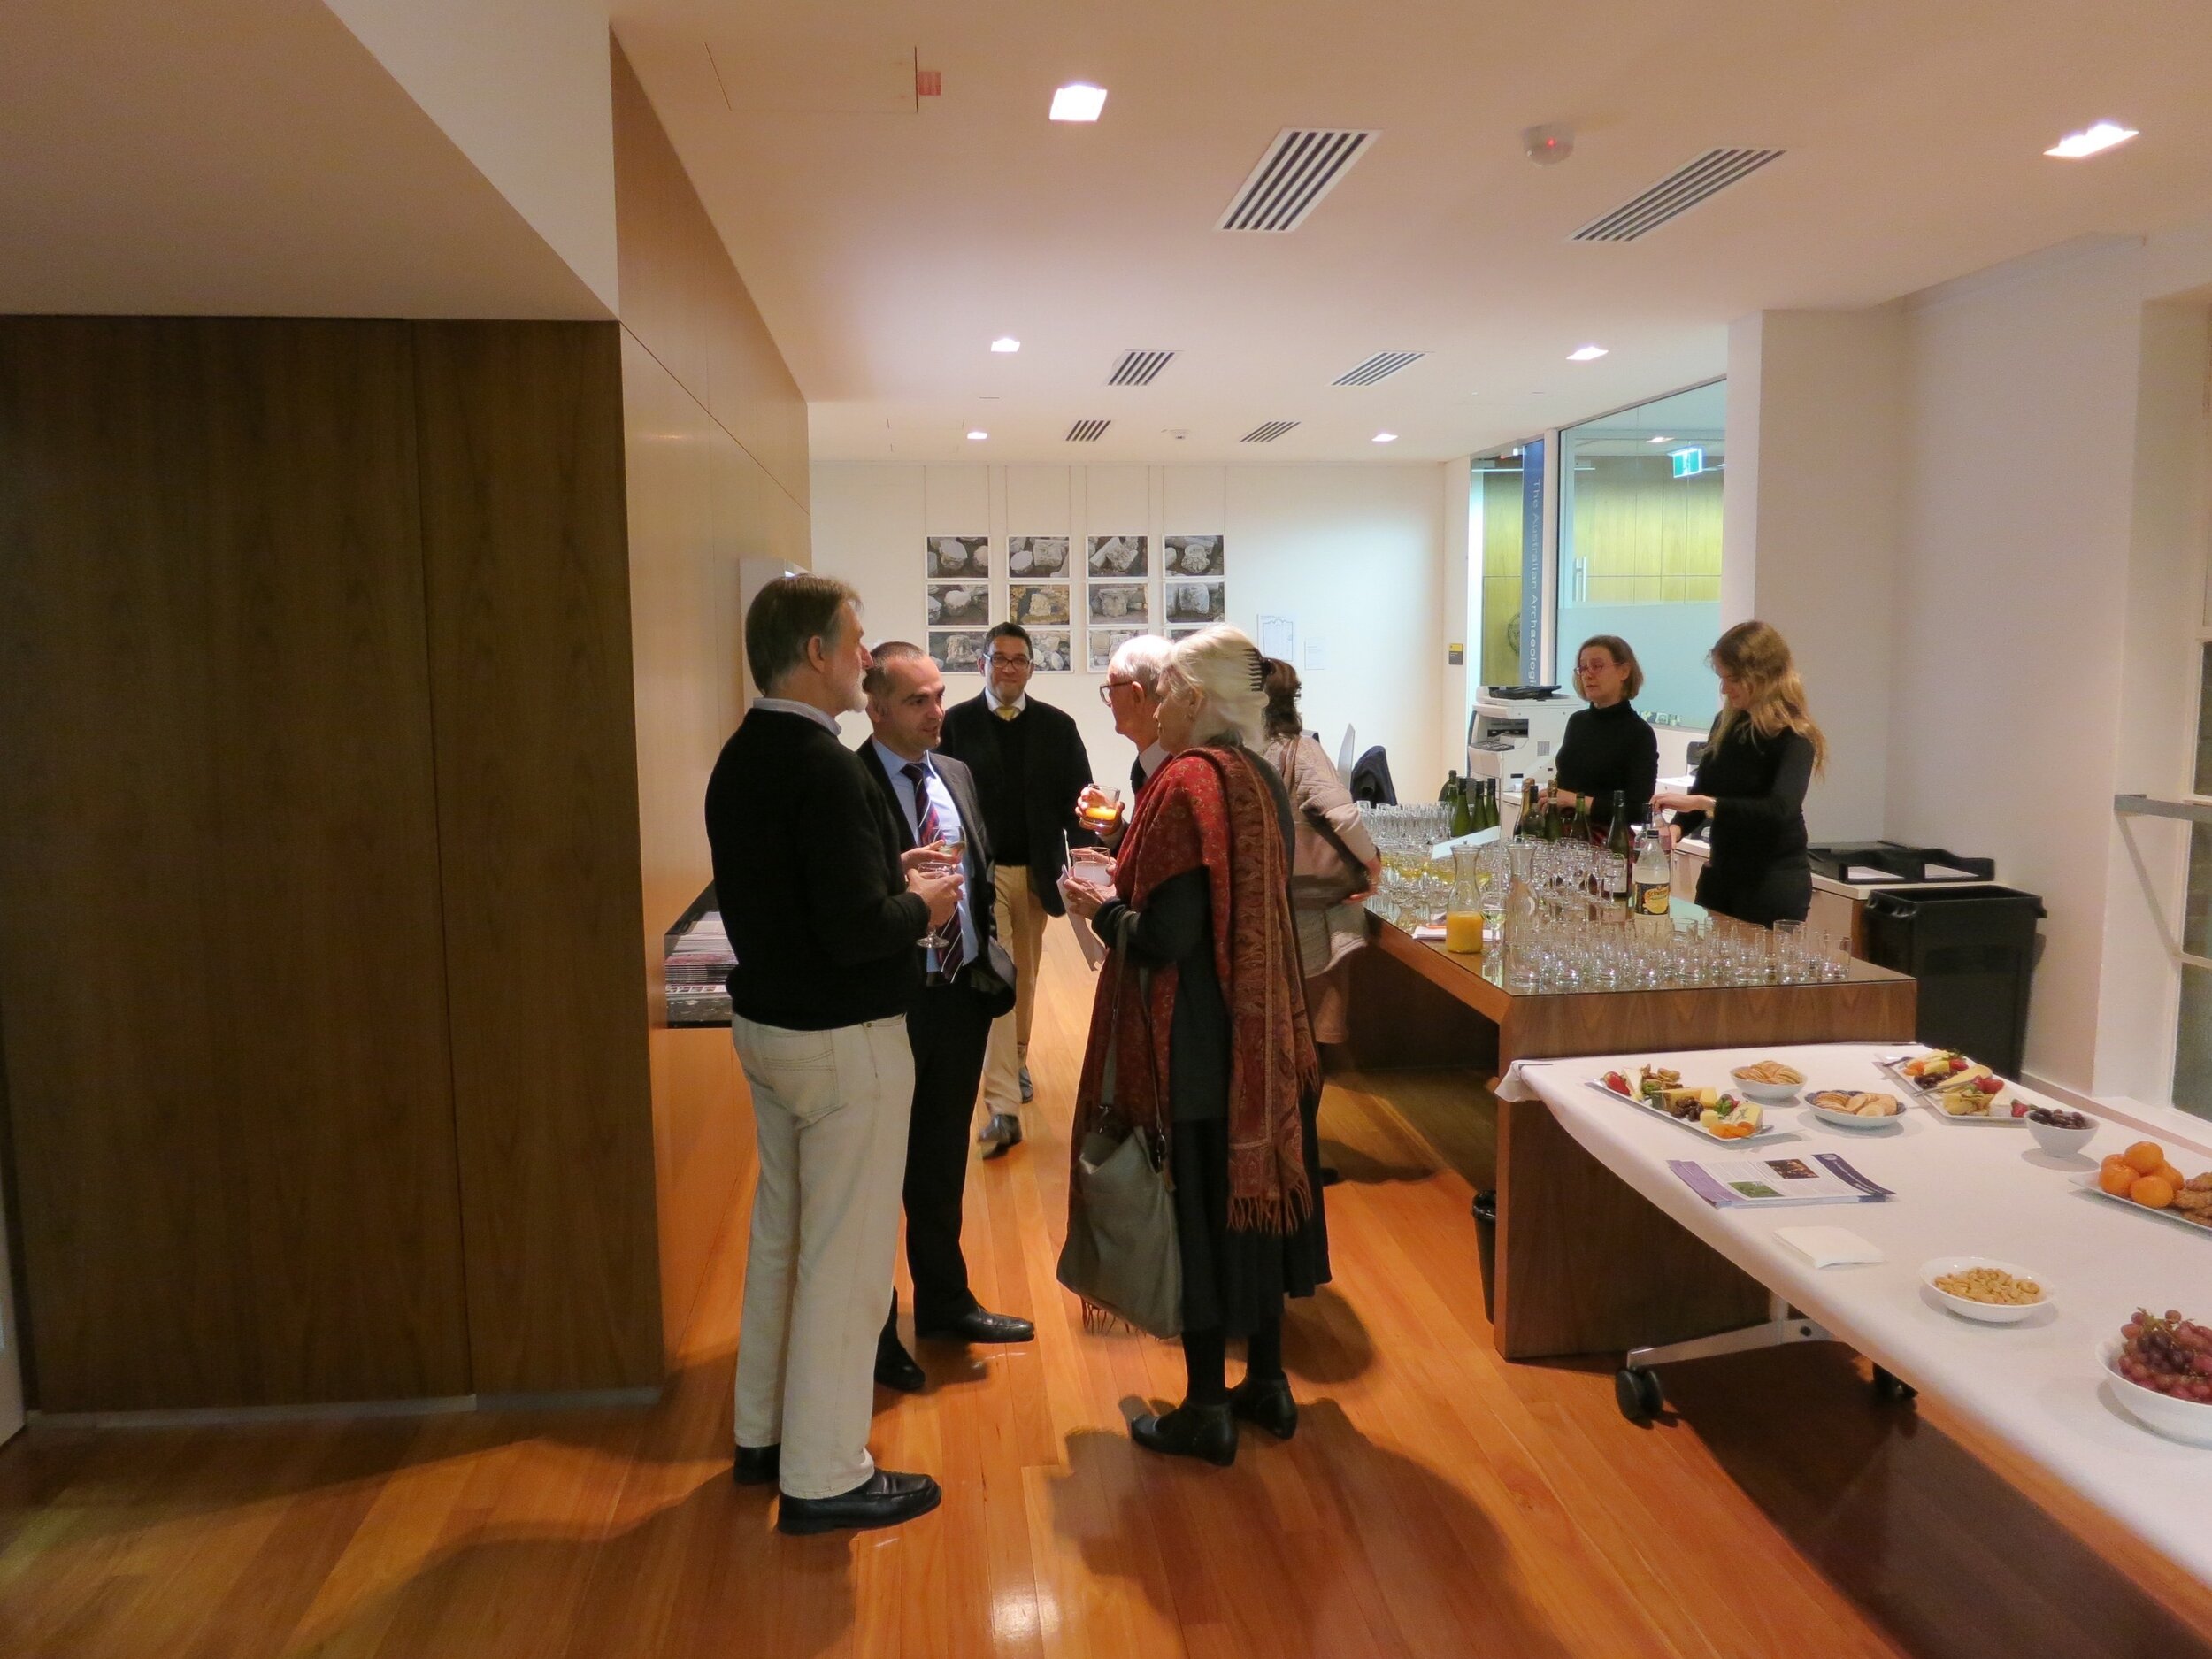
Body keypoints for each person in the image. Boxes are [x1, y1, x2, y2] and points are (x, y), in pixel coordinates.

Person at [706, 575, 963, 1536]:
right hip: (840, 1042)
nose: (866, 656)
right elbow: (859, 932)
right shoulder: (819, 763)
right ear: (814, 652)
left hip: (770, 1029)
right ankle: (824, 1475)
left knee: (782, 1240)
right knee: (846, 1262)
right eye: (855, 641)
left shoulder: (745, 754)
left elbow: (798, 894)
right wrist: (923, 907)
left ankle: (764, 1436)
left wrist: (882, 881)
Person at [1058, 626, 1329, 1468]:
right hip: (1265, 1028)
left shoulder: (1183, 786)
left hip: (1197, 1038)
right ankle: (1270, 1386)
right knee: (1253, 1205)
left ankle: (1207, 1406)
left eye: (1168, 690)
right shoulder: (1258, 778)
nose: (1155, 705)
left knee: (1201, 1213)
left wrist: (1098, 903)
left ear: (1197, 699)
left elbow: (1168, 935)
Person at [856, 643, 1037, 1394]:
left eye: (937, 696)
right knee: (872, 1177)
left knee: (939, 1164)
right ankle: (871, 1329)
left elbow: (981, 874)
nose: (936, 712)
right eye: (915, 701)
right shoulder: (853, 783)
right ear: (875, 708)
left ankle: (943, 1301)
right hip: (889, 1006)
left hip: (957, 995)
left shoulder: (954, 772)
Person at [938, 621, 1097, 1154]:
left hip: (1035, 872)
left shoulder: (1058, 726)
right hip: (978, 875)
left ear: (1031, 668)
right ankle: (1002, 1102)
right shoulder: (955, 724)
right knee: (998, 973)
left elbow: (1080, 801)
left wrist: (1085, 862)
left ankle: (1018, 1060)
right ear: (981, 663)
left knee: (1023, 976)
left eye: (1018, 660)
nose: (1008, 668)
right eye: (998, 658)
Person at [1651, 619, 1828, 926]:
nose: (1723, 688)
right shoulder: (1727, 723)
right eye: (1721, 678)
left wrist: (1706, 805)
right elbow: (1704, 788)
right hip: (1720, 877)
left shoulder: (1795, 735)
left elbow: (1780, 809)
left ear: (1762, 676)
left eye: (1732, 679)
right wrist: (1677, 829)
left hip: (1772, 884)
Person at [1260, 657, 1380, 1056]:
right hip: (1304, 890)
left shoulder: (1235, 748)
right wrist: (1372, 862)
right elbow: (1343, 813)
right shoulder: (1300, 749)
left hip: (1260, 885)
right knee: (1312, 984)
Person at [1550, 634, 1660, 833]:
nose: (1587, 674)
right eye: (1582, 668)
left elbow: (1638, 810)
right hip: (1565, 835)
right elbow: (1565, 783)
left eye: (1597, 666)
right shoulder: (1577, 722)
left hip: (1608, 842)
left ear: (1624, 671)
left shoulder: (1639, 733)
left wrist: (1576, 801)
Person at [1077, 634, 1173, 853]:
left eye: (1111, 689)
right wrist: (1115, 831)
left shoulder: (1183, 770)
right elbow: (1146, 853)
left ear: (1136, 695)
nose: (1109, 702)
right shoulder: (1146, 764)